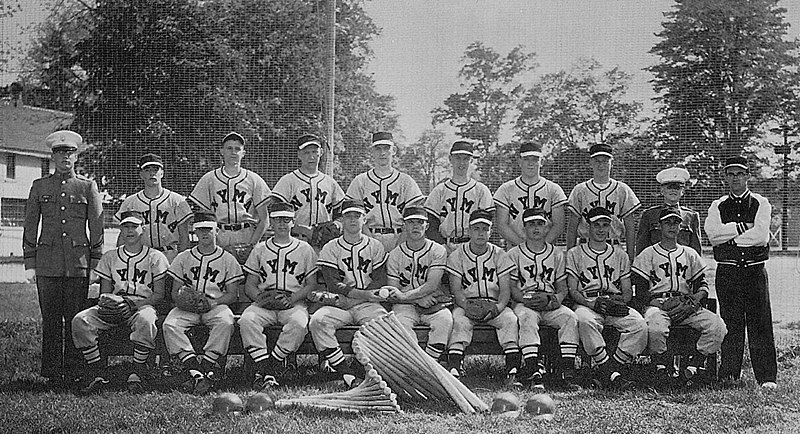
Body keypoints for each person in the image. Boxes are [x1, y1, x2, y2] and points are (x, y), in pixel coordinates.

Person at [22, 130, 103, 386]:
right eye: (60, 153)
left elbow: (97, 228)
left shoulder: (87, 186)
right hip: (48, 264)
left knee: (75, 319)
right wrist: (30, 263)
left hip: (78, 265)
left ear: (76, 157)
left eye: (69, 154)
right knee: (51, 321)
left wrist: (95, 264)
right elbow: (30, 224)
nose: (65, 158)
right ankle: (53, 373)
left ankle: (75, 370)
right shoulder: (40, 186)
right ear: (53, 157)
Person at [72, 211, 170, 393]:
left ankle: (137, 371)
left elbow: (159, 295)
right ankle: (97, 372)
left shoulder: (155, 257)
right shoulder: (110, 257)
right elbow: (105, 293)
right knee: (80, 320)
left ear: (143, 230)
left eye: (134, 226)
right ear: (120, 230)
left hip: (141, 305)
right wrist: (108, 303)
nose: (130, 230)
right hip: (114, 305)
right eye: (125, 226)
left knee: (147, 320)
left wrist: (132, 306)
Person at [704, 156, 777, 388]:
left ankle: (766, 377)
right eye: (731, 174)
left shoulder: (761, 203)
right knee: (730, 323)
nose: (736, 178)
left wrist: (730, 240)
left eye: (740, 174)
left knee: (760, 323)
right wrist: (742, 228)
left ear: (748, 176)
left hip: (754, 272)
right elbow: (713, 236)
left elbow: (761, 237)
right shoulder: (718, 205)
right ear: (725, 177)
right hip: (728, 273)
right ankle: (729, 373)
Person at [632, 207, 727, 385]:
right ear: (659, 226)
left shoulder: (690, 254)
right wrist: (657, 304)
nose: (672, 226)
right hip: (658, 304)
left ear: (681, 227)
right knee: (656, 328)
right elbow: (641, 289)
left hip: (685, 303)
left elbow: (703, 285)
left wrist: (695, 300)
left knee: (718, 326)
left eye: (676, 222)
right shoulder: (648, 254)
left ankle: (693, 366)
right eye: (667, 222)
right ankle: (661, 368)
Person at [308, 199, 391, 387]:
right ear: (342, 220)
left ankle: (362, 367)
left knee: (382, 325)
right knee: (318, 321)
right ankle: (346, 372)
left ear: (364, 220)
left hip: (365, 303)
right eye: (348, 216)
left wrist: (358, 298)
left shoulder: (375, 246)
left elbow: (380, 280)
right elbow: (332, 283)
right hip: (339, 303)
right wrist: (362, 296)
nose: (353, 220)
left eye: (357, 216)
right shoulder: (331, 247)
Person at [162, 211, 243, 394]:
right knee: (170, 324)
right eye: (200, 230)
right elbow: (175, 291)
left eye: (208, 230)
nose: (204, 234)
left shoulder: (227, 259)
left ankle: (205, 365)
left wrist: (212, 303)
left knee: (226, 321)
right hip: (187, 308)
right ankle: (195, 368)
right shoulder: (183, 257)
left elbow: (232, 294)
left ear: (217, 231)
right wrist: (184, 302)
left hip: (216, 304)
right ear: (194, 233)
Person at [238, 202, 317, 390]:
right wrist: (260, 299)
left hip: (292, 301)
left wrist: (292, 299)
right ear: (271, 223)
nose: (282, 224)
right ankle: (265, 367)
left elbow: (311, 284)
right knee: (247, 320)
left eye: (286, 220)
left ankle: (269, 367)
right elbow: (250, 284)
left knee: (299, 323)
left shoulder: (304, 248)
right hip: (264, 301)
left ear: (293, 222)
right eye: (277, 220)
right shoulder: (260, 249)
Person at [567, 207, 647, 389]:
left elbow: (627, 291)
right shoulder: (575, 254)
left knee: (640, 326)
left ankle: (609, 369)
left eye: (605, 225)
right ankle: (610, 373)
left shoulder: (620, 255)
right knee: (585, 321)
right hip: (588, 302)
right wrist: (590, 303)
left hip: (613, 303)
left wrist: (620, 301)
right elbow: (573, 290)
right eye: (596, 225)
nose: (601, 229)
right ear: (588, 227)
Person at [445, 209, 521, 387]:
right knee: (459, 321)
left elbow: (505, 291)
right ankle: (455, 369)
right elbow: (456, 290)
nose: (480, 233)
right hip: (467, 304)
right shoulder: (457, 255)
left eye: (484, 229)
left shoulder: (500, 254)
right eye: (476, 228)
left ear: (491, 232)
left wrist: (498, 308)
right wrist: (466, 306)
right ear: (469, 231)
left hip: (493, 304)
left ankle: (512, 371)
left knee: (510, 319)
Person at [507, 208, 580, 390]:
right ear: (524, 228)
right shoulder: (514, 254)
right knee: (526, 318)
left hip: (549, 302)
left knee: (570, 317)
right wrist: (526, 300)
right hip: (526, 302)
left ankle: (568, 372)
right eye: (531, 224)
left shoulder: (557, 254)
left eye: (540, 223)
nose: (536, 228)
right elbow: (512, 288)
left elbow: (563, 287)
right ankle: (533, 369)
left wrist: (555, 300)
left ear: (547, 227)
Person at [189, 132, 271, 281]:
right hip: (219, 235)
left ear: (243, 153)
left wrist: (252, 245)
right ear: (222, 151)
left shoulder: (253, 179)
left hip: (246, 233)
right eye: (229, 148)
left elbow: (265, 220)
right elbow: (202, 215)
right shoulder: (209, 179)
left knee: (247, 281)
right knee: (219, 278)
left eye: (237, 149)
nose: (233, 152)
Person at [385, 206, 452, 363]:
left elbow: (432, 284)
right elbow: (392, 292)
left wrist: (406, 296)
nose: (416, 226)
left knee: (445, 320)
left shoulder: (438, 250)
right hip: (405, 305)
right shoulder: (395, 255)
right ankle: (417, 363)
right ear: (404, 226)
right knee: (400, 323)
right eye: (411, 222)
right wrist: (413, 299)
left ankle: (430, 363)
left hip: (431, 300)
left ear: (427, 226)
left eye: (420, 222)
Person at [346, 132, 424, 252]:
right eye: (378, 149)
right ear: (371, 152)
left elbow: (414, 218)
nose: (382, 153)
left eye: (386, 148)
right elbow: (352, 217)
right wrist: (371, 244)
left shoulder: (406, 181)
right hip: (368, 238)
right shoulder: (360, 181)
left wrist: (399, 247)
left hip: (401, 238)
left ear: (394, 150)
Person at [566, 143, 640, 262]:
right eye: (597, 161)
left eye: (605, 161)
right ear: (591, 163)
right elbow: (572, 228)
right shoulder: (580, 190)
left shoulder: (622, 189)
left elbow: (630, 227)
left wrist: (630, 257)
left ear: (612, 163)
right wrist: (569, 257)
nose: (601, 165)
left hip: (614, 247)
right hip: (585, 248)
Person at [271, 134, 345, 246]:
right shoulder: (288, 181)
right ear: (299, 155)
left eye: (314, 152)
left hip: (323, 244)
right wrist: (303, 230)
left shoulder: (330, 183)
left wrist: (337, 225)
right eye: (306, 152)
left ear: (321, 152)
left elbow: (342, 213)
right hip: (294, 242)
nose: (311, 157)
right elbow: (274, 214)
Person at [116, 153, 192, 262]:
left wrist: (182, 263)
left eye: (156, 169)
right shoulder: (130, 202)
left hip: (170, 256)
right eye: (147, 170)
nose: (152, 173)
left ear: (162, 173)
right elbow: (123, 237)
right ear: (141, 174)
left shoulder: (177, 201)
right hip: (140, 258)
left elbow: (184, 237)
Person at [424, 140, 493, 252]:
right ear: (450, 159)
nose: (462, 163)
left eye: (466, 158)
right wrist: (441, 246)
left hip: (474, 247)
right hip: (445, 246)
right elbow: (430, 225)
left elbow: (489, 224)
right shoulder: (439, 191)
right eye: (458, 158)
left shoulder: (481, 191)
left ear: (471, 160)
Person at [494, 142, 567, 247]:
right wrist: (524, 247)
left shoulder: (553, 190)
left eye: (535, 159)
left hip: (547, 249)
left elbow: (559, 225)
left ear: (542, 162)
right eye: (526, 159)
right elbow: (502, 225)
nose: (530, 163)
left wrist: (542, 246)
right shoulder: (505, 189)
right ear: (519, 161)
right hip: (515, 249)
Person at [635, 167, 701, 256]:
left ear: (683, 191)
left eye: (677, 187)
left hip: (683, 264)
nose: (673, 190)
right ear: (662, 190)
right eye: (669, 187)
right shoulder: (649, 215)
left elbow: (696, 250)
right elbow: (641, 247)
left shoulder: (691, 216)